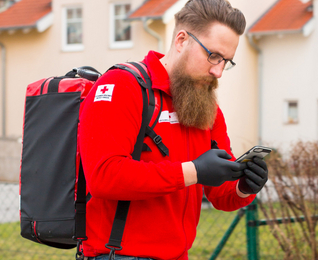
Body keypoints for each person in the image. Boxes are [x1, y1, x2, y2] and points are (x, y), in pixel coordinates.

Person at [79, 0, 268, 259]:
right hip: (118, 256)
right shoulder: (122, 86)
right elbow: (104, 177)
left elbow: (220, 194)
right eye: (213, 56)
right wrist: (194, 171)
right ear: (181, 40)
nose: (219, 71)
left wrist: (244, 186)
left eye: (227, 61)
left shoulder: (206, 107)